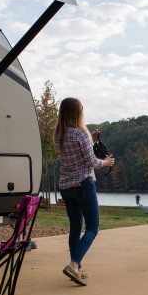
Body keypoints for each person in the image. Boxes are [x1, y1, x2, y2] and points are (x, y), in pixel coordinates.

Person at [54, 97, 114, 285]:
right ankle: (74, 264)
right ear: (77, 112)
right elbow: (92, 162)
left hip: (66, 186)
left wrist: (91, 138)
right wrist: (106, 162)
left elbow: (77, 149)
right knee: (93, 228)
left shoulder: (58, 134)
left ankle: (77, 269)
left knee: (75, 227)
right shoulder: (80, 134)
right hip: (83, 184)